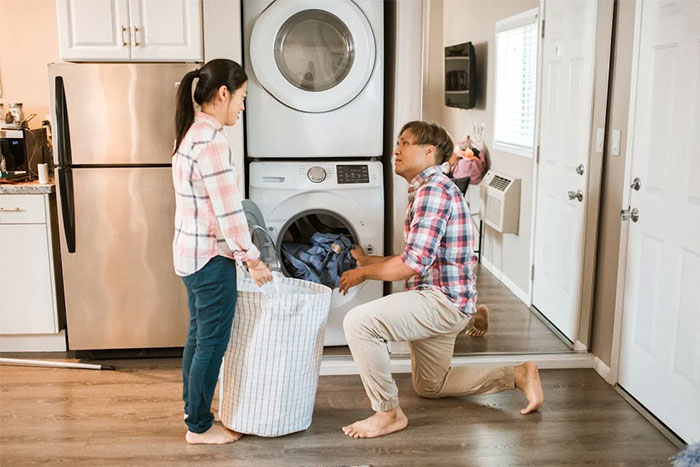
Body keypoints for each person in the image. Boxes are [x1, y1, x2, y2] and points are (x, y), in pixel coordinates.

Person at [338, 121, 544, 439]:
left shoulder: (433, 191)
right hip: (445, 296)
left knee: (359, 322)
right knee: (431, 386)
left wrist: (363, 272)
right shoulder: (430, 188)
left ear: (429, 151)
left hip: (440, 299)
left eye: (404, 143)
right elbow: (417, 258)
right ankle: (517, 374)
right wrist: (366, 261)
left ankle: (388, 412)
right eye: (398, 143)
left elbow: (412, 263)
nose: (396, 149)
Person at [172, 59, 273, 445]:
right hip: (212, 259)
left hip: (189, 254)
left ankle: (192, 413)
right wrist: (253, 259)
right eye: (242, 97)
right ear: (224, 93)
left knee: (198, 338)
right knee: (210, 342)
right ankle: (198, 426)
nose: (243, 107)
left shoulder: (189, 132)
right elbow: (229, 213)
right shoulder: (212, 142)